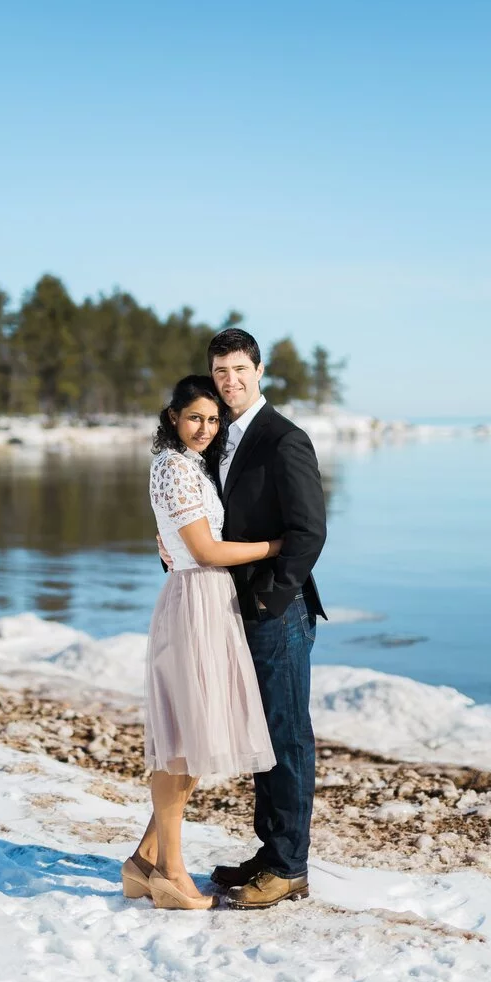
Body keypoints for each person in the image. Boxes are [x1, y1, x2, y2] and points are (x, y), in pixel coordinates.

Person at [166, 329, 328, 908]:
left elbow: (309, 533)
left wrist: (273, 598)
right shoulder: (217, 437)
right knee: (262, 738)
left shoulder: (285, 439)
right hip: (228, 610)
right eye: (219, 372)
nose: (229, 381)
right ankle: (270, 852)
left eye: (239, 369)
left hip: (274, 613)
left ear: (260, 370)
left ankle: (290, 867)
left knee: (286, 737)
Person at [121, 374, 280, 911]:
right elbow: (206, 551)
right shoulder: (172, 467)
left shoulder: (189, 466)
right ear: (172, 417)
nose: (205, 429)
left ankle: (144, 861)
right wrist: (275, 545)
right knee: (182, 743)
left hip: (207, 603)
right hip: (194, 602)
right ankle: (170, 873)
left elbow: (181, 539)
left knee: (190, 741)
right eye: (195, 418)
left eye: (213, 420)